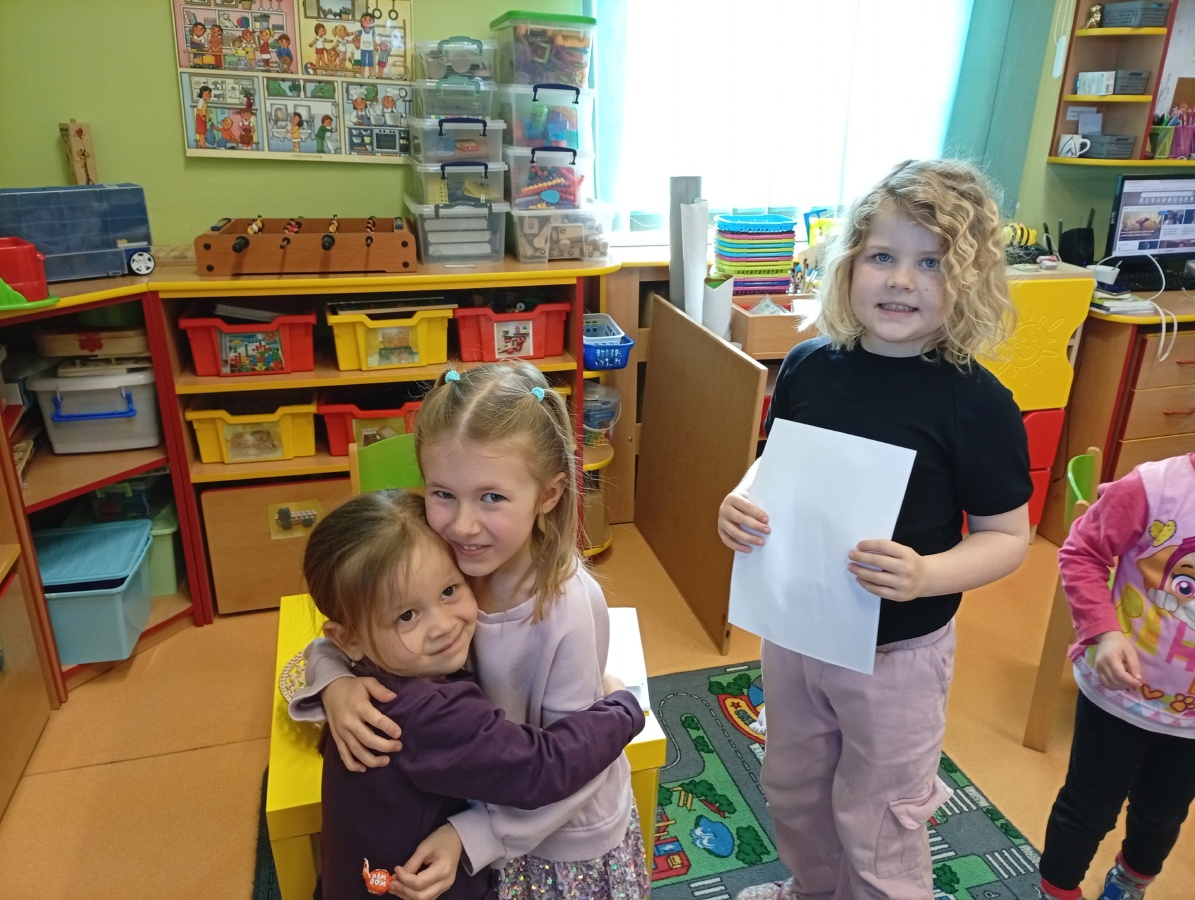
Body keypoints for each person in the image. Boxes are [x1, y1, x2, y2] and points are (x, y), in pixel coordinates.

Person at [717, 158, 1033, 899]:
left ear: (969, 280)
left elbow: (1007, 537)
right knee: (793, 786)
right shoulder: (807, 366)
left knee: (882, 815)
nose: (901, 281)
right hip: (798, 631)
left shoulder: (976, 402)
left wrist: (928, 572)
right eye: (882, 257)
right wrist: (741, 495)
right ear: (849, 263)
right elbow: (775, 464)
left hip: (898, 657)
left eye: (931, 263)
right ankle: (812, 890)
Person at [294, 360, 650, 900]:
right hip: (474, 801)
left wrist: (474, 835)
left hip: (554, 837)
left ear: (548, 495)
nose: (462, 524)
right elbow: (355, 629)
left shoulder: (565, 609)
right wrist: (335, 681)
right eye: (443, 494)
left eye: (492, 497)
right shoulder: (443, 563)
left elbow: (572, 765)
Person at [1037, 454, 1195, 900]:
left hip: (1189, 724)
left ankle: (1128, 884)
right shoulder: (1155, 485)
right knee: (1087, 809)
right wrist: (1104, 633)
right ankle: (1057, 890)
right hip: (1116, 697)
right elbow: (1081, 552)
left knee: (1162, 816)